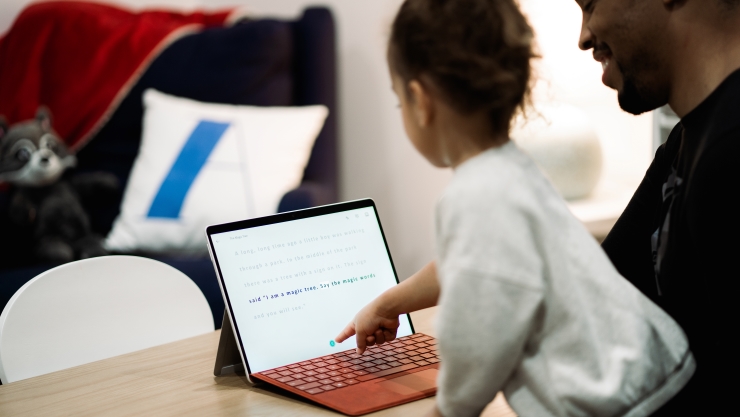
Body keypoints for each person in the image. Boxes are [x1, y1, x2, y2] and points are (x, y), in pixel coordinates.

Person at [335, 1, 695, 416]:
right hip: (659, 373)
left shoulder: (472, 196)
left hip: (619, 404)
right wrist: (387, 304)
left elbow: (479, 333)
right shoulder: (514, 173)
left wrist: (450, 407)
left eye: (400, 101)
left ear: (420, 101)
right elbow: (473, 262)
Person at [577, 0, 740, 414]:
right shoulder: (686, 141)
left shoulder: (730, 153)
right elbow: (599, 295)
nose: (584, 36)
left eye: (589, 4)